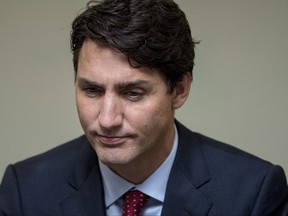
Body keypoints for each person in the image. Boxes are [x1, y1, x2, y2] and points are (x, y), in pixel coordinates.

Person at [0, 0, 287, 215]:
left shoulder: (252, 193)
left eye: (133, 93)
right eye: (92, 90)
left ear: (180, 90)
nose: (107, 119)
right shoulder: (25, 190)